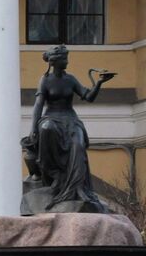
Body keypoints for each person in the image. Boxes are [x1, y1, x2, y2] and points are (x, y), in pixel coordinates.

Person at [25, 45, 115, 213]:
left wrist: (99, 83)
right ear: (55, 62)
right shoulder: (45, 80)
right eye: (65, 58)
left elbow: (88, 97)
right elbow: (38, 105)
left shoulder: (70, 79)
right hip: (51, 117)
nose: (67, 61)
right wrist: (33, 129)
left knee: (78, 145)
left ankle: (78, 189)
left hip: (70, 119)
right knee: (46, 129)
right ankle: (55, 176)